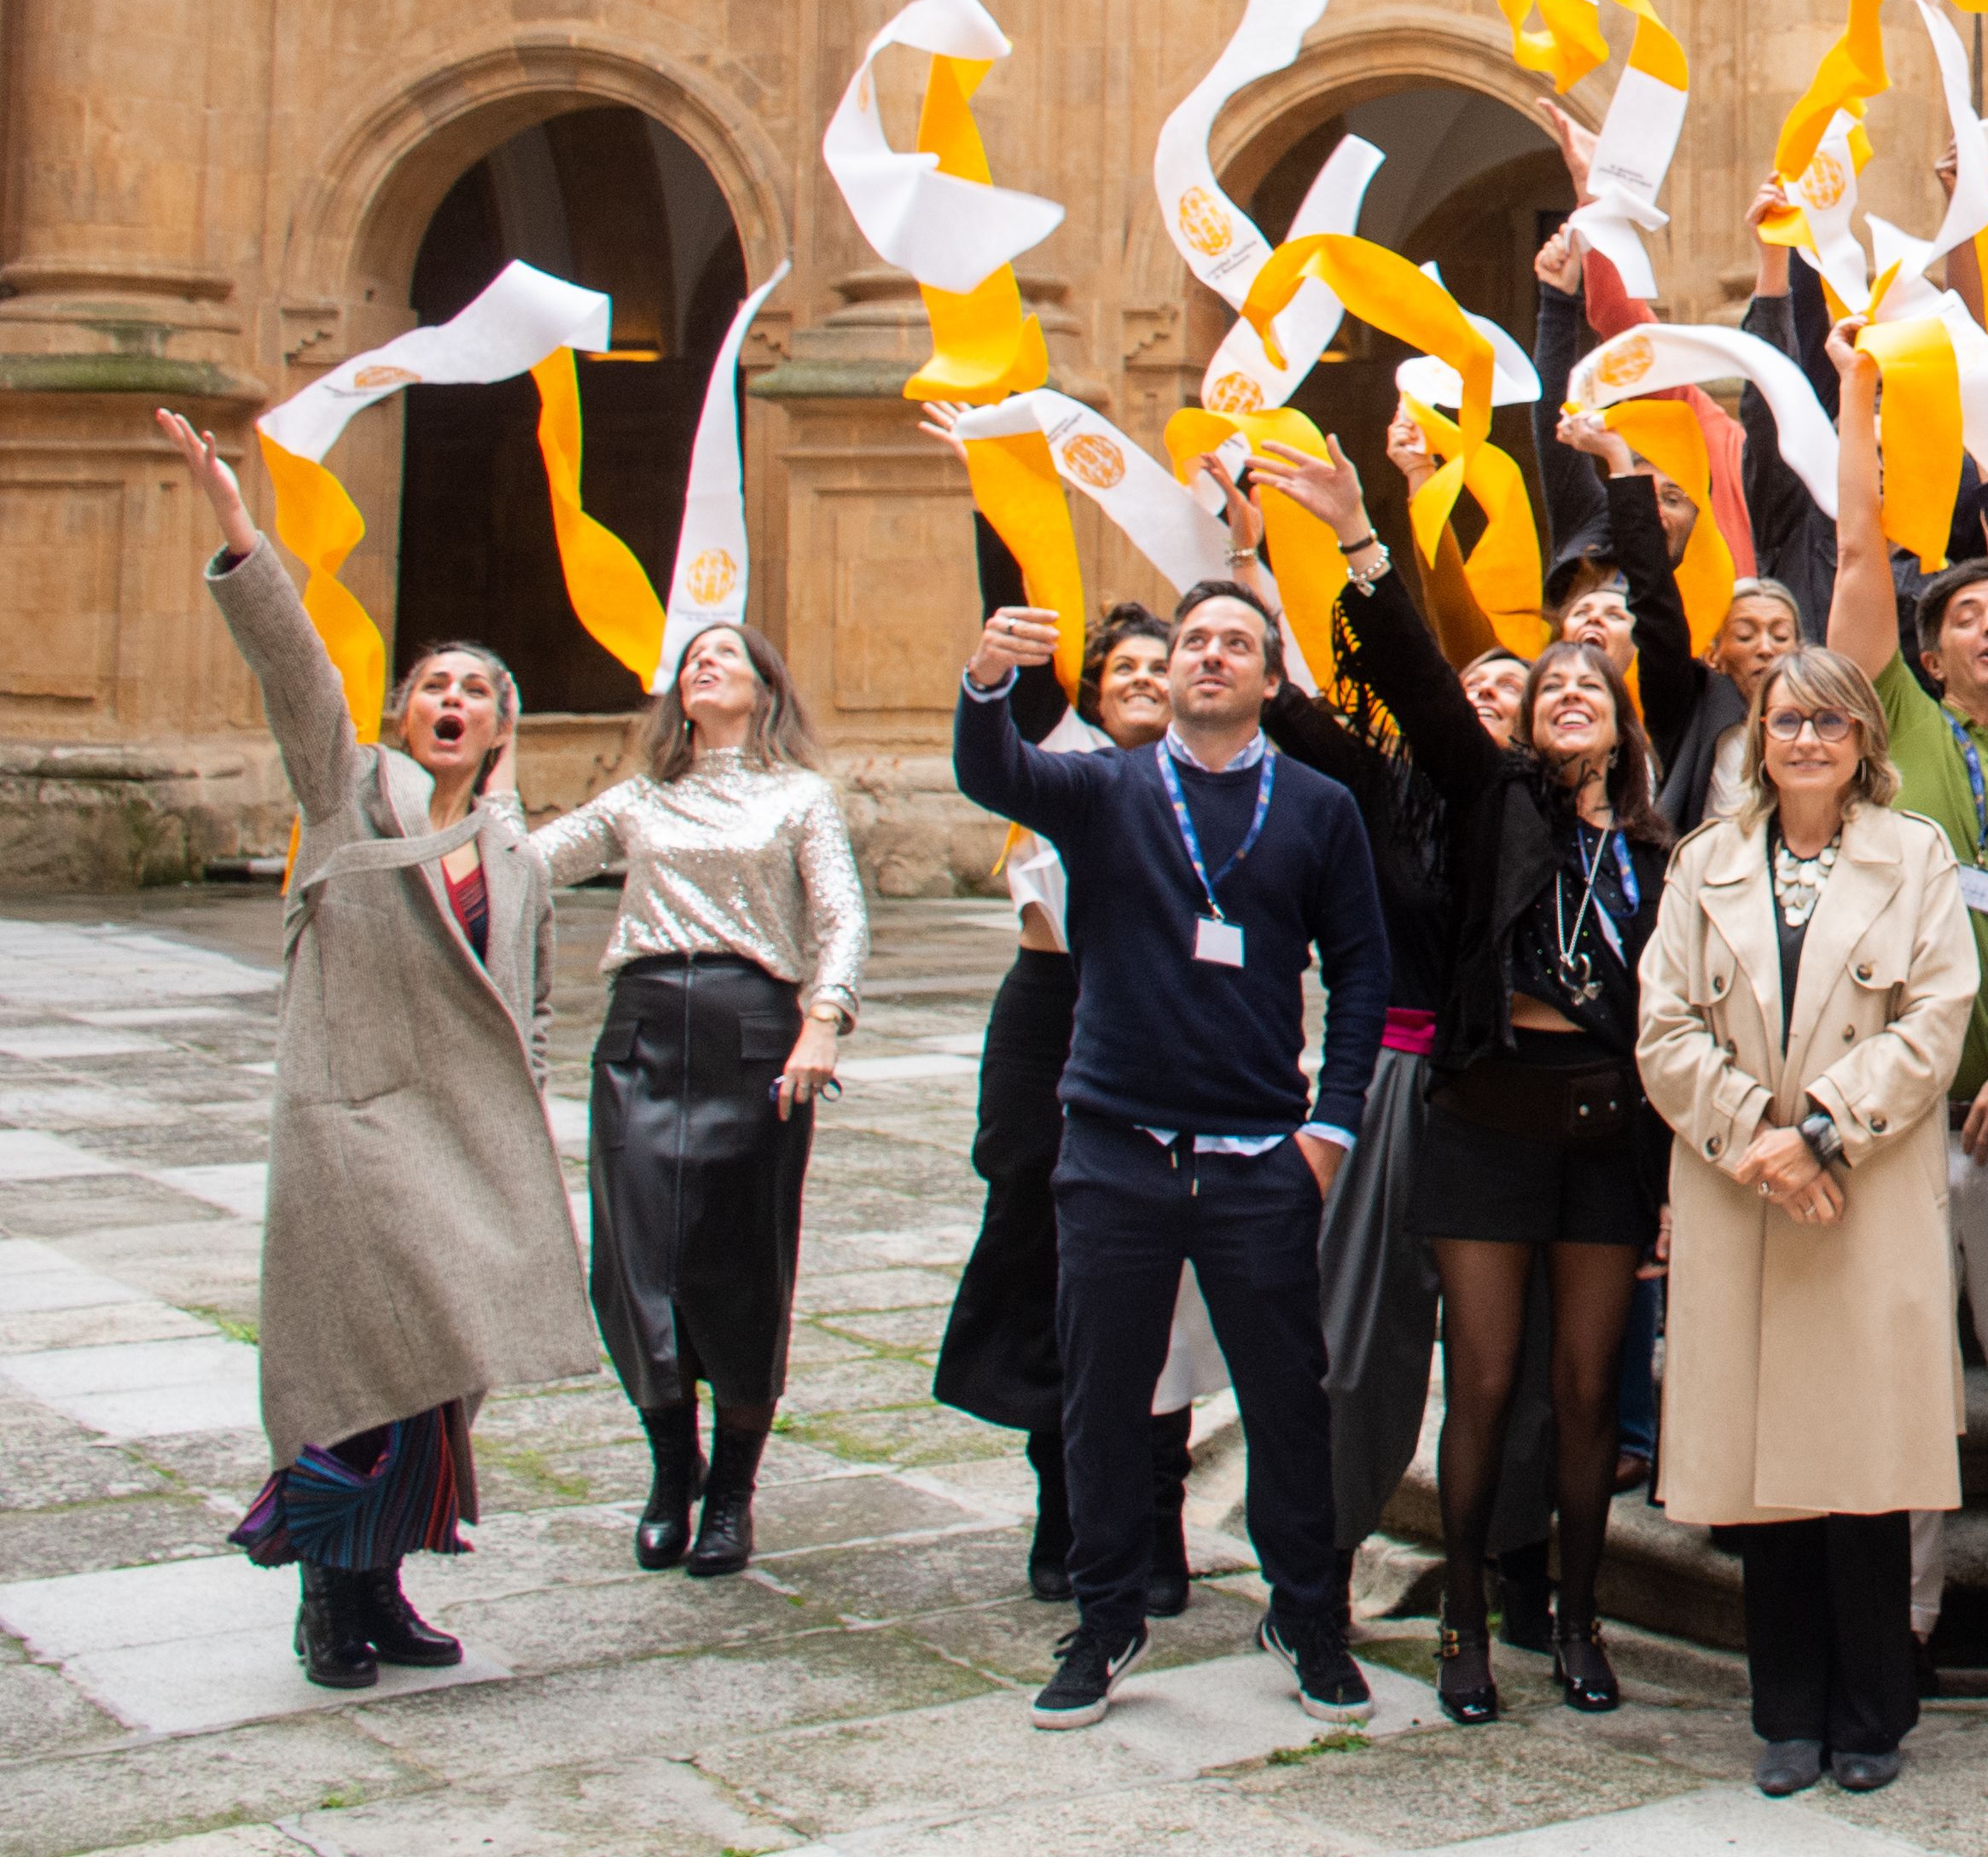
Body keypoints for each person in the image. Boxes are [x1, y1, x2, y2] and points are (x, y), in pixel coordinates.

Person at [162, 412, 589, 1694]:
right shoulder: (347, 791)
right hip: (354, 1129)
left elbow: (534, 1008)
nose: (453, 702)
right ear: (403, 713)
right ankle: (323, 1600)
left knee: (438, 1384)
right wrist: (241, 532)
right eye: (435, 686)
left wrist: (526, 1124)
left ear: (505, 732)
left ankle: (385, 1583)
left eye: (477, 692)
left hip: (462, 1144)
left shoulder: (519, 860)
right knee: (355, 1375)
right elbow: (293, 668)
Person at [1264, 440, 1674, 1725]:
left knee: (1587, 1392)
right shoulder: (1495, 802)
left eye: (1587, 687)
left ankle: (1578, 1620)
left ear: (1620, 721)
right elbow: (1417, 689)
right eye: (1547, 684)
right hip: (1484, 1128)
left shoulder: (1666, 854)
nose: (1565, 694)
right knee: (1486, 1380)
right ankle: (1460, 1629)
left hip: (1606, 1142)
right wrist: (1359, 539)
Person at [955, 578, 1388, 1732]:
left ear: (1264, 677)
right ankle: (1105, 1622)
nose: (1206, 659)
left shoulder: (1317, 806)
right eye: (1192, 642)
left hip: (1258, 1157)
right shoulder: (1104, 789)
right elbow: (991, 774)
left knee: (1289, 1401)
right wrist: (991, 681)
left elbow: (1361, 972)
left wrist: (1330, 1127)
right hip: (1115, 1149)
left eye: (1233, 645)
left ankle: (1307, 1616)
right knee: (1102, 1398)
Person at [1631, 644, 1979, 1798]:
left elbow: (1938, 1015)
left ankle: (1873, 1715)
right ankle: (1785, 1713)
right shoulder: (1706, 861)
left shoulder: (1913, 854)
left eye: (1832, 723)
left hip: (1863, 1192)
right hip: (1745, 1197)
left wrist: (1824, 1131)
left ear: (1863, 741)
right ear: (1757, 736)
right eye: (1789, 722)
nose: (1810, 741)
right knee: (1767, 1470)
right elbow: (1664, 1028)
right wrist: (1755, 1141)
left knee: (1864, 1466)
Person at [1832, 338, 1988, 1680]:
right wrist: (1863, 393)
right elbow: (1863, 562)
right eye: (1972, 619)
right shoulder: (1902, 740)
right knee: (1903, 1394)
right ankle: (1903, 1623)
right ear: (1927, 659)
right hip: (1901, 1129)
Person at [524, 614, 866, 1582]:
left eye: (726, 656)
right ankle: (671, 1466)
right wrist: (476, 793)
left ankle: (733, 1490)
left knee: (743, 1262)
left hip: (753, 1032)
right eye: (691, 658)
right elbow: (530, 863)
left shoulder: (800, 795)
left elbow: (838, 911)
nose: (703, 664)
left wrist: (825, 1017)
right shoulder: (640, 798)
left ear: (764, 688)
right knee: (636, 1258)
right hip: (641, 1030)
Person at [916, 503, 1206, 1616]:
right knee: (1047, 1261)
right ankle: (1066, 1507)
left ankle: (1161, 1515)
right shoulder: (1059, 760)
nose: (1141, 675)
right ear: (1090, 689)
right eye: (1120, 664)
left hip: (1172, 1025)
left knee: (1168, 1276)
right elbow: (1014, 640)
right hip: (1051, 1013)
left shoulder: (1219, 777)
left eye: (1158, 661)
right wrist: (993, 478)